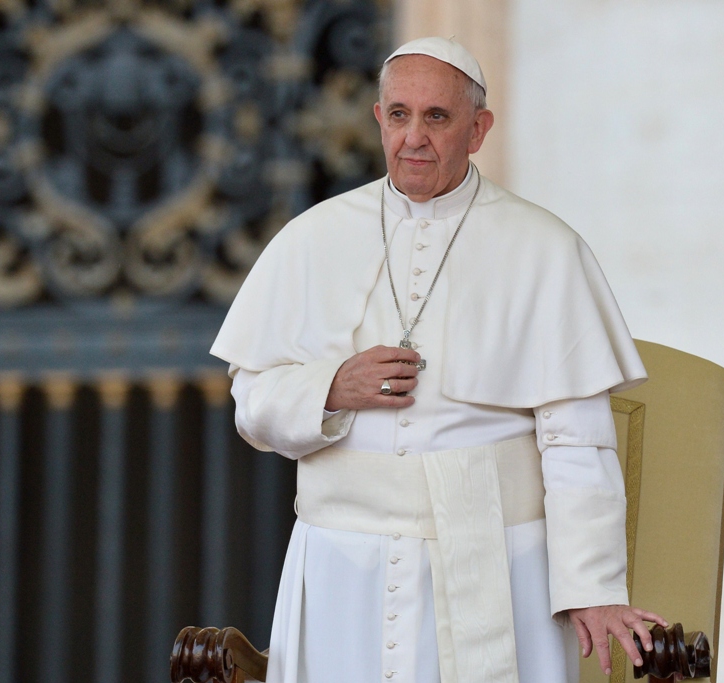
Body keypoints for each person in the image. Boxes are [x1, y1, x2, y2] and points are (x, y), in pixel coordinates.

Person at [211, 37, 667, 683]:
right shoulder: (312, 238)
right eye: (399, 115)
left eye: (437, 117)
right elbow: (253, 409)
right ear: (378, 119)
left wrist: (591, 584)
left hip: (501, 556)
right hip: (344, 558)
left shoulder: (543, 248)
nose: (414, 138)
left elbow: (577, 440)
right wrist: (330, 388)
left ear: (477, 130)